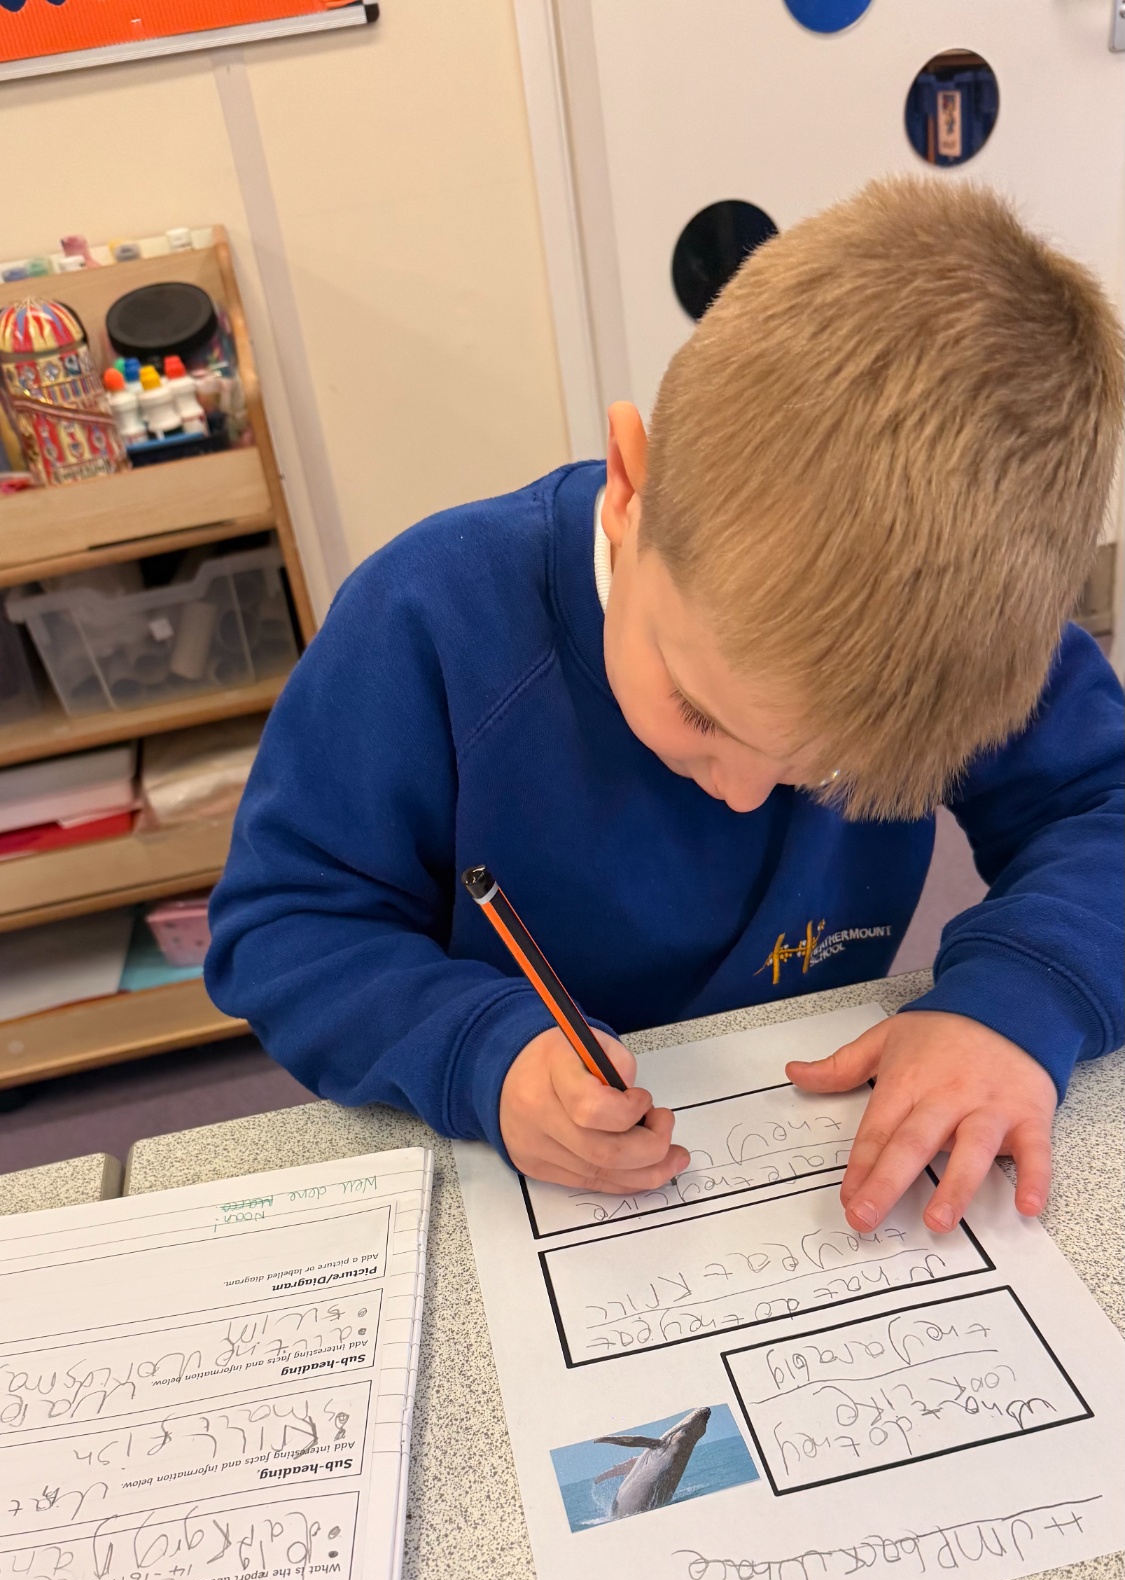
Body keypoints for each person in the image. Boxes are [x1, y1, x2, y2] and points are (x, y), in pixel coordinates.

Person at [205, 177, 1124, 1237]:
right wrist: (477, 1051)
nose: (740, 795)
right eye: (697, 709)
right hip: (514, 1176)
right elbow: (286, 927)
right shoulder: (425, 622)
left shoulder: (961, 632)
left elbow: (1101, 807)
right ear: (627, 485)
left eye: (821, 774)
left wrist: (1018, 997)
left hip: (792, 1150)